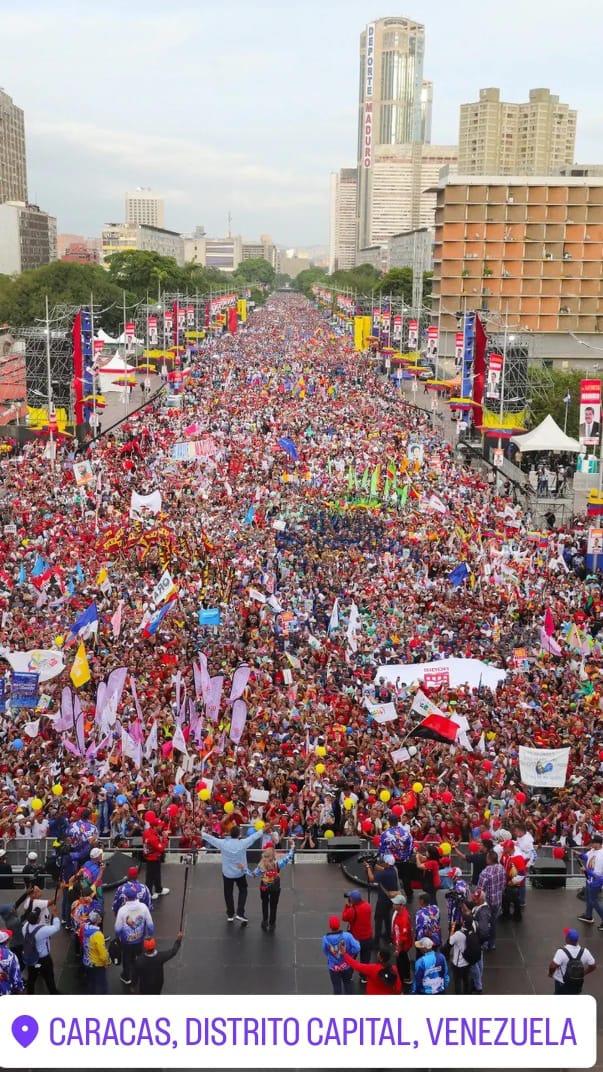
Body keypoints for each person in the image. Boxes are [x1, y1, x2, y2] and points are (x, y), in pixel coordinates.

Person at [202, 822, 267, 924]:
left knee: (228, 893)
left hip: (227, 873)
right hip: (240, 872)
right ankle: (240, 912)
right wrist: (269, 825)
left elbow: (210, 838)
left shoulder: (223, 843)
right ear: (239, 835)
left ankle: (230, 914)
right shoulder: (243, 843)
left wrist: (198, 832)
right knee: (243, 890)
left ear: (230, 834)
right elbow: (255, 836)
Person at [247, 839, 295, 931]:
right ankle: (272, 923)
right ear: (273, 855)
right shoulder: (278, 864)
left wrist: (244, 869)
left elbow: (252, 875)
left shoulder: (261, 865)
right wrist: (292, 846)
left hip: (264, 887)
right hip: (275, 887)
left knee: (264, 903)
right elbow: (289, 857)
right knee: (274, 905)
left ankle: (265, 921)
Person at [114, 885, 154, 987]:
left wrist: (117, 937)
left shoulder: (122, 910)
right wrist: (150, 934)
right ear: (136, 896)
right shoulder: (143, 907)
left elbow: (118, 928)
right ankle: (140, 973)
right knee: (139, 956)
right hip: (139, 939)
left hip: (126, 941)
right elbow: (150, 924)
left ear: (126, 897)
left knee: (126, 958)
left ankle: (127, 977)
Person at [22, 901, 61, 994]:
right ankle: (53, 992)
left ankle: (30, 994)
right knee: (49, 977)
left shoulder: (25, 927)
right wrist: (55, 914)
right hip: (44, 959)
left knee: (31, 978)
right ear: (38, 920)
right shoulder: (42, 930)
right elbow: (56, 927)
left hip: (31, 957)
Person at [365, 853, 399, 946]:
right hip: (390, 900)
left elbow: (371, 878)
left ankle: (376, 942)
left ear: (387, 863)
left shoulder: (384, 874)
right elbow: (382, 869)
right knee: (386, 917)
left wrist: (368, 868)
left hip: (383, 900)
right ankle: (388, 936)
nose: (382, 863)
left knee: (378, 919)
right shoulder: (393, 870)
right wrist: (374, 865)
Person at [548, 927, 596, 995]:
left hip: (562, 984)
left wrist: (550, 974)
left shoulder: (561, 952)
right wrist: (583, 973)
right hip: (577, 984)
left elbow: (553, 966)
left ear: (567, 939)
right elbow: (593, 966)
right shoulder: (585, 952)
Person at [321, 915, 360, 995]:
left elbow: (325, 950)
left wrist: (330, 956)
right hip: (347, 965)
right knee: (348, 984)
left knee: (337, 987)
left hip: (334, 968)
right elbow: (357, 948)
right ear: (339, 925)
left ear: (330, 926)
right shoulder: (347, 936)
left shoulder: (325, 939)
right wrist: (350, 953)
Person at [477, 850, 506, 950]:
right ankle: (492, 943)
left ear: (489, 859)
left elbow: (479, 890)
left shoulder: (485, 872)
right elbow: (503, 884)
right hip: (497, 900)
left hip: (487, 902)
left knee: (484, 923)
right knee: (493, 922)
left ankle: (484, 944)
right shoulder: (502, 868)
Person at [342, 889, 373, 970]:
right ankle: (364, 976)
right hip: (367, 937)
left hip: (356, 938)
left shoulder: (352, 910)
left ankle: (349, 973)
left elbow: (344, 917)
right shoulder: (368, 906)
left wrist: (347, 906)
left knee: (352, 957)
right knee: (365, 958)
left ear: (352, 900)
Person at [81, 909, 110, 994]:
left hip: (87, 961)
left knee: (91, 983)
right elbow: (103, 954)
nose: (102, 918)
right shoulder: (98, 935)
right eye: (100, 917)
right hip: (97, 964)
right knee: (102, 985)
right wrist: (107, 962)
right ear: (98, 920)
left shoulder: (84, 927)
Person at [142, 813, 170, 901]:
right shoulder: (152, 837)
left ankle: (159, 889)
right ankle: (149, 893)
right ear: (154, 827)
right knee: (150, 877)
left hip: (153, 857)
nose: (161, 826)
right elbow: (161, 848)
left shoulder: (149, 832)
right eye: (159, 825)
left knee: (156, 874)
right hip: (152, 858)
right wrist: (165, 838)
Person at [577, 832, 603, 926]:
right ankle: (588, 916)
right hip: (589, 880)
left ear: (599, 843)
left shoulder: (601, 855)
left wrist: (586, 870)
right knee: (588, 898)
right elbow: (587, 857)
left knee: (594, 901)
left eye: (593, 842)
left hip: (596, 882)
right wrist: (579, 854)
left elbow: (597, 875)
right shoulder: (592, 850)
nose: (591, 844)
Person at [391, 892, 413, 986]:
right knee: (401, 961)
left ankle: (406, 977)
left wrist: (398, 949)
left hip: (403, 946)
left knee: (403, 961)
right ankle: (403, 976)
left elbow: (403, 937)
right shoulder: (399, 913)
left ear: (401, 905)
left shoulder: (403, 918)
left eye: (395, 904)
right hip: (399, 944)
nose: (393, 905)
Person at [0, 928, 24, 994]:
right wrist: (20, 988)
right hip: (5, 989)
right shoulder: (11, 956)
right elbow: (15, 975)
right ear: (7, 941)